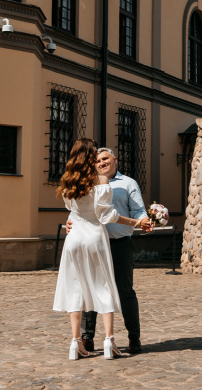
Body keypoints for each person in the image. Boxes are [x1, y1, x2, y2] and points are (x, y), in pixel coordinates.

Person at [53, 138, 152, 360]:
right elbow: (91, 213)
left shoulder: (128, 183)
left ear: (114, 160)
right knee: (95, 288)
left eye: (105, 159)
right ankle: (92, 338)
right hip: (96, 240)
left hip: (117, 243)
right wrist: (68, 222)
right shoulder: (93, 181)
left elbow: (138, 210)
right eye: (97, 159)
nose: (101, 162)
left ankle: (133, 337)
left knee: (123, 291)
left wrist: (143, 220)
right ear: (92, 161)